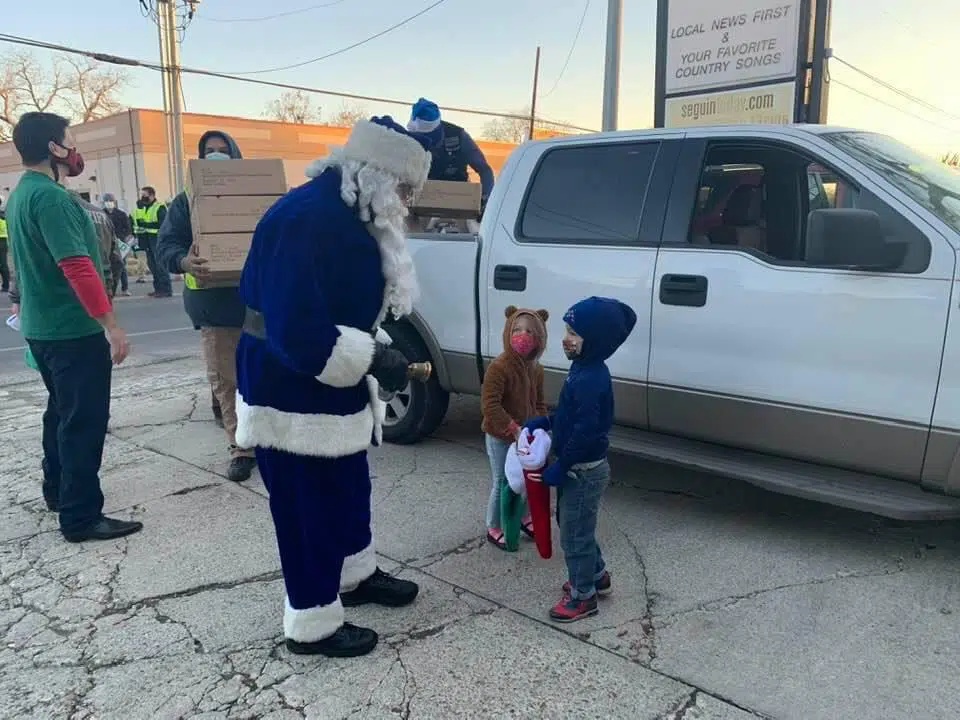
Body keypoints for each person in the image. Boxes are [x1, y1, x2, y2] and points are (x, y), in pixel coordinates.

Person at [235, 116, 433, 658]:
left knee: (347, 489)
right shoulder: (304, 218)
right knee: (306, 508)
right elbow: (295, 330)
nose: (408, 200)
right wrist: (373, 356)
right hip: (289, 386)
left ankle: (353, 576)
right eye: (405, 187)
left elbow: (347, 300)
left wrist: (376, 349)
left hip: (330, 382)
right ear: (374, 174)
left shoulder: (353, 212)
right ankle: (313, 622)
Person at [5, 111, 140, 543]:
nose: (75, 147)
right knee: (83, 420)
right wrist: (111, 325)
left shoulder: (21, 193)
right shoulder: (52, 199)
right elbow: (78, 266)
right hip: (71, 330)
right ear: (53, 148)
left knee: (60, 412)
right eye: (70, 139)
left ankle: (58, 491)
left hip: (42, 328)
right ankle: (81, 516)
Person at [523, 296, 637, 623]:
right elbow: (572, 416)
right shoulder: (582, 369)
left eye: (574, 332)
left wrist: (562, 464)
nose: (565, 338)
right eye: (567, 329)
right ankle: (597, 575)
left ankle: (583, 596)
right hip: (579, 468)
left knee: (574, 534)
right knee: (574, 526)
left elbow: (586, 430)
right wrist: (546, 421)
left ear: (595, 340)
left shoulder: (590, 379)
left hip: (583, 471)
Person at [156, 130, 257, 482]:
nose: (215, 157)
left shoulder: (253, 194)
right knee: (226, 378)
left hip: (256, 301)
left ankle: (261, 432)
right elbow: (166, 245)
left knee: (256, 375)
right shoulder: (185, 201)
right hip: (213, 303)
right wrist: (184, 261)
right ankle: (241, 447)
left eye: (222, 151)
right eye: (208, 152)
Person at [480, 305, 549, 551]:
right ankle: (494, 525)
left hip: (526, 437)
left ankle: (522, 516)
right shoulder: (499, 368)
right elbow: (490, 405)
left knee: (528, 480)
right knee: (503, 481)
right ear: (508, 331)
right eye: (517, 330)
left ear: (539, 339)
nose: (522, 336)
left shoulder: (536, 369)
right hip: (501, 436)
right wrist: (512, 427)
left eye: (530, 332)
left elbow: (539, 402)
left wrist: (541, 426)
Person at [407, 98, 495, 213]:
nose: (428, 142)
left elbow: (485, 170)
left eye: (431, 137)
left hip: (458, 203)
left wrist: (485, 199)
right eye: (422, 137)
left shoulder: (458, 137)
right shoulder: (408, 141)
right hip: (420, 203)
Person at [133, 185, 171, 298]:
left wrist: (147, 224)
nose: (142, 197)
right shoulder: (144, 207)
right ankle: (158, 289)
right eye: (142, 195)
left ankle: (166, 289)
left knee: (160, 265)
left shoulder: (159, 207)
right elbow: (139, 221)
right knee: (152, 265)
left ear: (152, 195)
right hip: (147, 239)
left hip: (157, 238)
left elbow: (162, 224)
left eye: (145, 195)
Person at [102, 193, 132, 296]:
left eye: (110, 201)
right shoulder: (101, 214)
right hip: (106, 243)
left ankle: (125, 288)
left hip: (119, 243)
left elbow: (128, 228)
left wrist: (122, 238)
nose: (109, 203)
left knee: (121, 265)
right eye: (107, 201)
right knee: (106, 266)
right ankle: (109, 288)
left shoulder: (121, 214)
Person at [0, 196, 10, 293]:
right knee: (3, 264)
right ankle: (5, 285)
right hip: (3, 241)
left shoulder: (2, 216)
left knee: (3, 265)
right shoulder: (3, 215)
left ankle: (6, 285)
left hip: (2, 241)